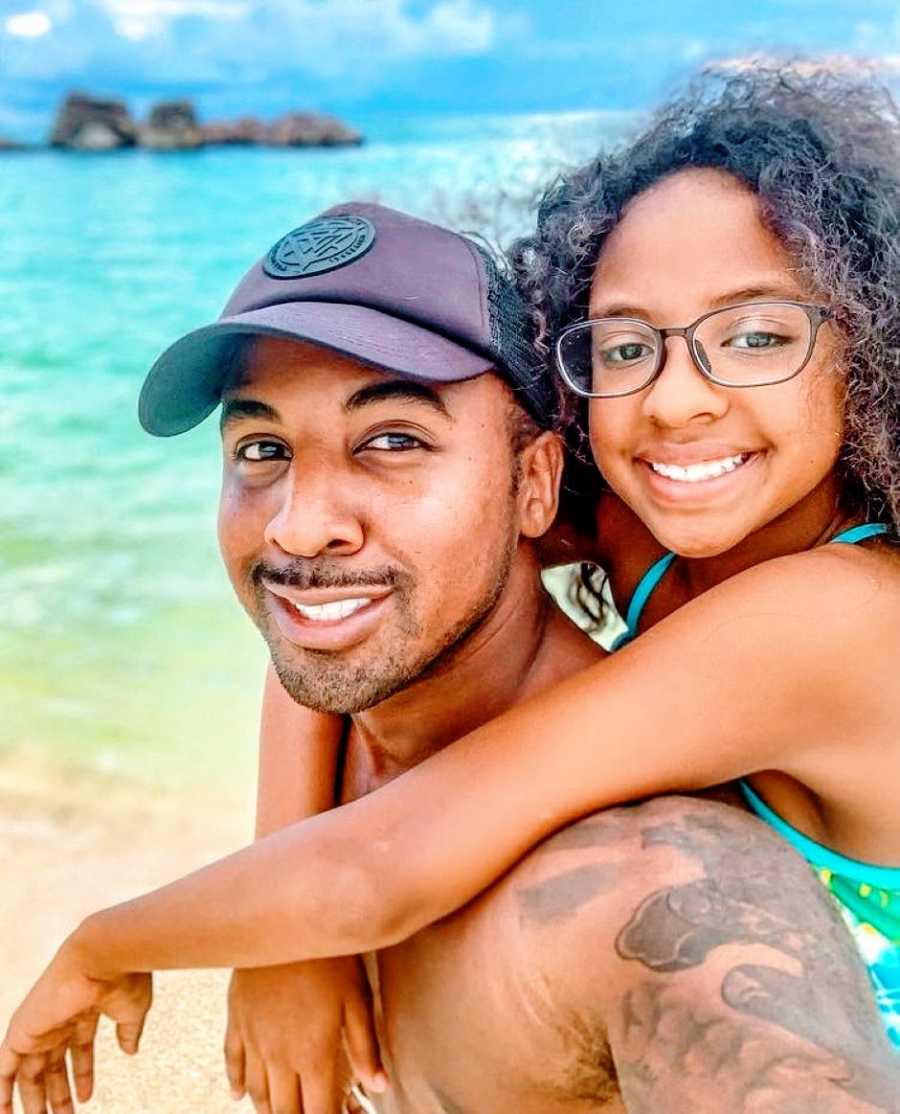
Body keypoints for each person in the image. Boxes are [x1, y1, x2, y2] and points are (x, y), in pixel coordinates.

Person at [4, 67, 900, 1111]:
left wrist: (109, 941)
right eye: (625, 345)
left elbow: (385, 865)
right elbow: (334, 592)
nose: (678, 399)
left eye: (756, 336)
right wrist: (298, 952)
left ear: (868, 346)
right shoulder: (637, 524)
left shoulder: (835, 615)